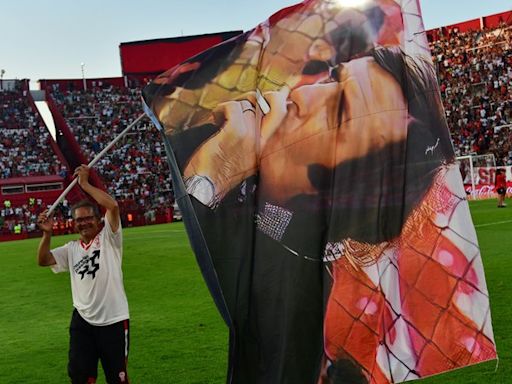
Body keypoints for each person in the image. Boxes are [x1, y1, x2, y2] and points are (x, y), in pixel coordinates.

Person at [36, 165, 130, 384]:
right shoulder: (71, 249)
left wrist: (85, 185)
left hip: (113, 321)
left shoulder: (109, 238)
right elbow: (43, 260)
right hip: (82, 322)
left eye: (88, 218)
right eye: (79, 220)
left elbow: (113, 206)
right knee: (80, 377)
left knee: (118, 379)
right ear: (74, 224)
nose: (84, 223)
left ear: (98, 220)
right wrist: (47, 234)